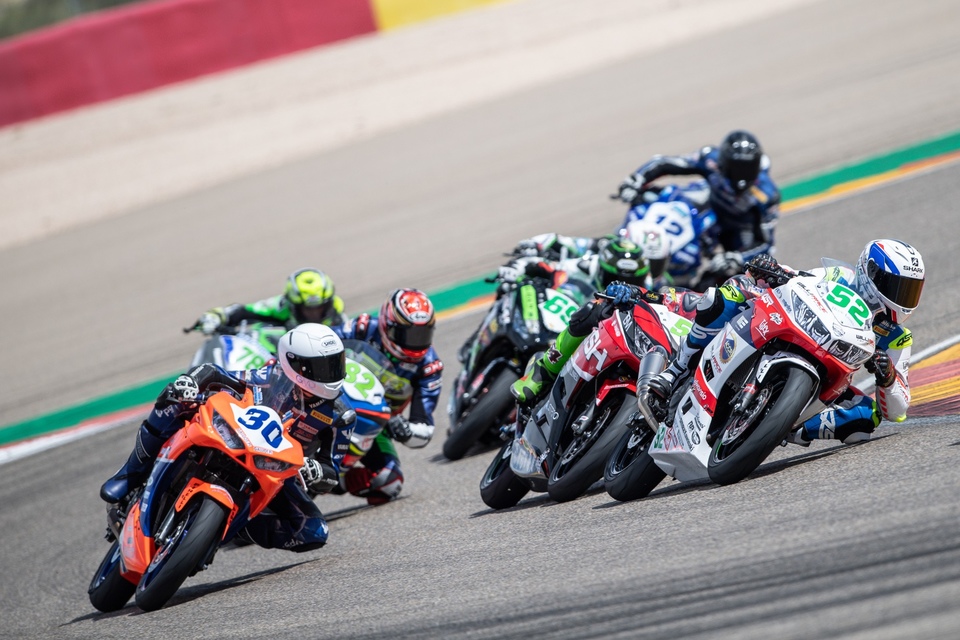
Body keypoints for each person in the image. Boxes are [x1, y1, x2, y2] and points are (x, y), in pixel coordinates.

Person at [100, 324, 356, 552]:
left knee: (314, 531)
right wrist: (191, 382)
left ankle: (227, 528)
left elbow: (332, 473)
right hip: (234, 437)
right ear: (296, 364)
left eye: (336, 364)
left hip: (273, 470)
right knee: (175, 400)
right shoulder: (273, 374)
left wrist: (316, 471)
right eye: (323, 367)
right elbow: (216, 373)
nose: (332, 374)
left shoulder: (340, 416)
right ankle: (130, 474)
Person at [646, 239, 925, 444]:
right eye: (899, 288)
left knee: (866, 417)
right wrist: (773, 269)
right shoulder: (841, 277)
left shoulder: (897, 338)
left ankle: (782, 424)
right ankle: (676, 371)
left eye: (911, 291)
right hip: (796, 333)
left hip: (828, 377)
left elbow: (898, 411)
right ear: (872, 273)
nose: (904, 298)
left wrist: (888, 376)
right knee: (729, 294)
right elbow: (801, 279)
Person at [613, 130, 781, 278]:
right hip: (705, 201)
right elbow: (663, 163)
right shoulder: (710, 158)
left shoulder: (767, 195)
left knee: (747, 272)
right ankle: (622, 236)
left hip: (733, 227)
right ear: (723, 162)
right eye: (735, 168)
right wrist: (635, 180)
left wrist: (737, 257)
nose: (741, 176)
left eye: (748, 169)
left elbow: (766, 243)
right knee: (648, 196)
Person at [331, 288, 443, 504]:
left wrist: (404, 429)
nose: (414, 343)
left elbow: (425, 429)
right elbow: (320, 341)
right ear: (387, 325)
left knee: (389, 482)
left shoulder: (429, 367)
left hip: (374, 424)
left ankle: (336, 480)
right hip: (331, 398)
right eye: (407, 334)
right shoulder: (363, 327)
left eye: (422, 335)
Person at [195, 268, 348, 334]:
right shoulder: (279, 306)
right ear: (292, 305)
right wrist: (215, 317)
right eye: (307, 310)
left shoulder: (338, 313)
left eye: (320, 308)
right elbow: (239, 311)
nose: (314, 314)